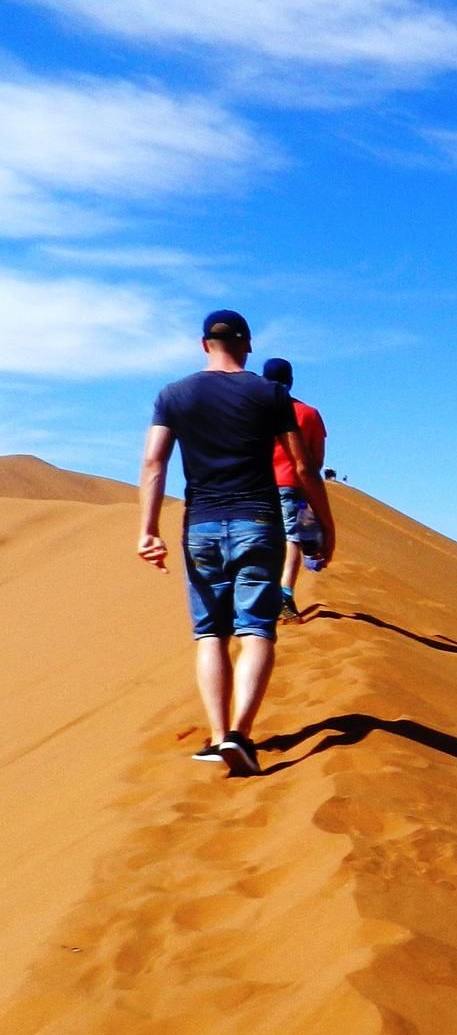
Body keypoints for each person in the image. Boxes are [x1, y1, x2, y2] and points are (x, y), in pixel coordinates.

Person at [137, 311, 338, 776]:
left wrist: (148, 529)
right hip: (258, 523)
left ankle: (217, 732)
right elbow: (304, 466)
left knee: (210, 634)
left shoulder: (174, 395)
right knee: (256, 630)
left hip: (200, 528)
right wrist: (326, 525)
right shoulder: (268, 393)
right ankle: (239, 735)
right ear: (246, 345)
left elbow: (153, 463)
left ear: (204, 344)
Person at [260, 356, 328, 622]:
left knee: (259, 539)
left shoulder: (252, 411)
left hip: (255, 486)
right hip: (291, 485)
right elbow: (317, 460)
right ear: (290, 380)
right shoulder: (309, 414)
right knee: (292, 539)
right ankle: (284, 596)